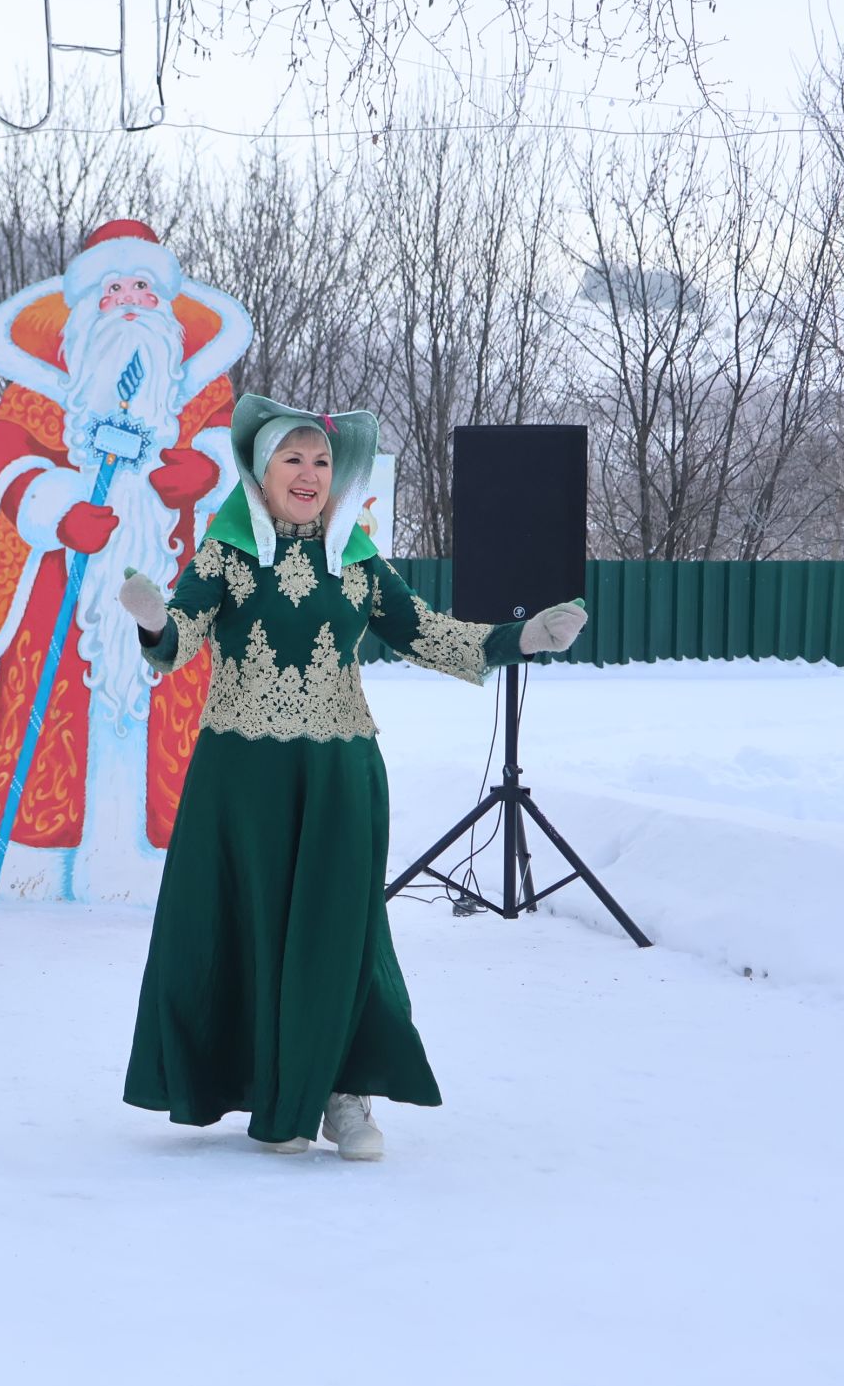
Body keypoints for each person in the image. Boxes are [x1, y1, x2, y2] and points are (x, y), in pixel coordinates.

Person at [116, 395, 587, 1158]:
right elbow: (185, 632)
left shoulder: (359, 558)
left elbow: (424, 633)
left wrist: (520, 638)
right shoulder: (228, 553)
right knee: (245, 926)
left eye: (322, 461)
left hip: (338, 772)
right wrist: (152, 623)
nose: (309, 474)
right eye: (292, 460)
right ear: (260, 473)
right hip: (240, 780)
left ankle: (341, 1095)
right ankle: (270, 1089)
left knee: (337, 933)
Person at [0, 219, 253, 901]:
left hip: (175, 587)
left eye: (144, 286)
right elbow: (0, 465)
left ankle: (180, 852)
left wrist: (205, 473)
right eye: (113, 288)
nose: (131, 299)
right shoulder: (40, 389)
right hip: (63, 595)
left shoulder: (200, 389)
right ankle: (34, 854)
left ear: (168, 304)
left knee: (184, 711)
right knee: (51, 712)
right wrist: (55, 508)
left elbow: (237, 456)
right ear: (85, 307)